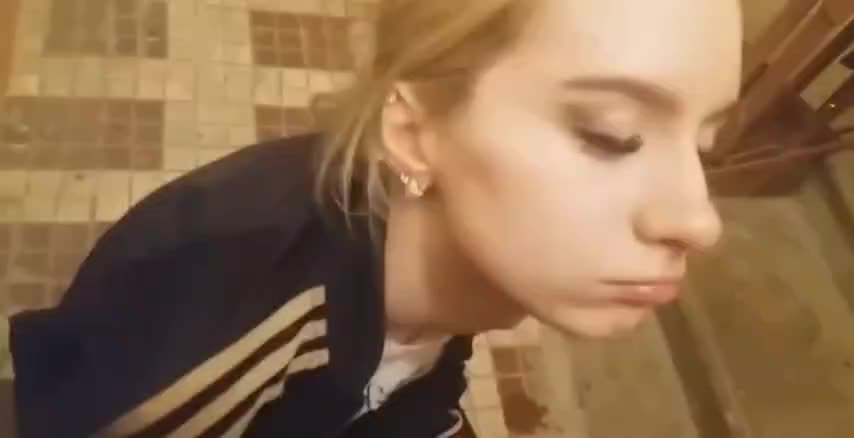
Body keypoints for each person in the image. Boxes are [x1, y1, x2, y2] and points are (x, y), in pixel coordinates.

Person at [8, 0, 743, 436]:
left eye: (705, 143)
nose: (699, 220)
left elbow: (409, 399)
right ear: (415, 131)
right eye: (612, 135)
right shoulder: (229, 315)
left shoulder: (446, 272)